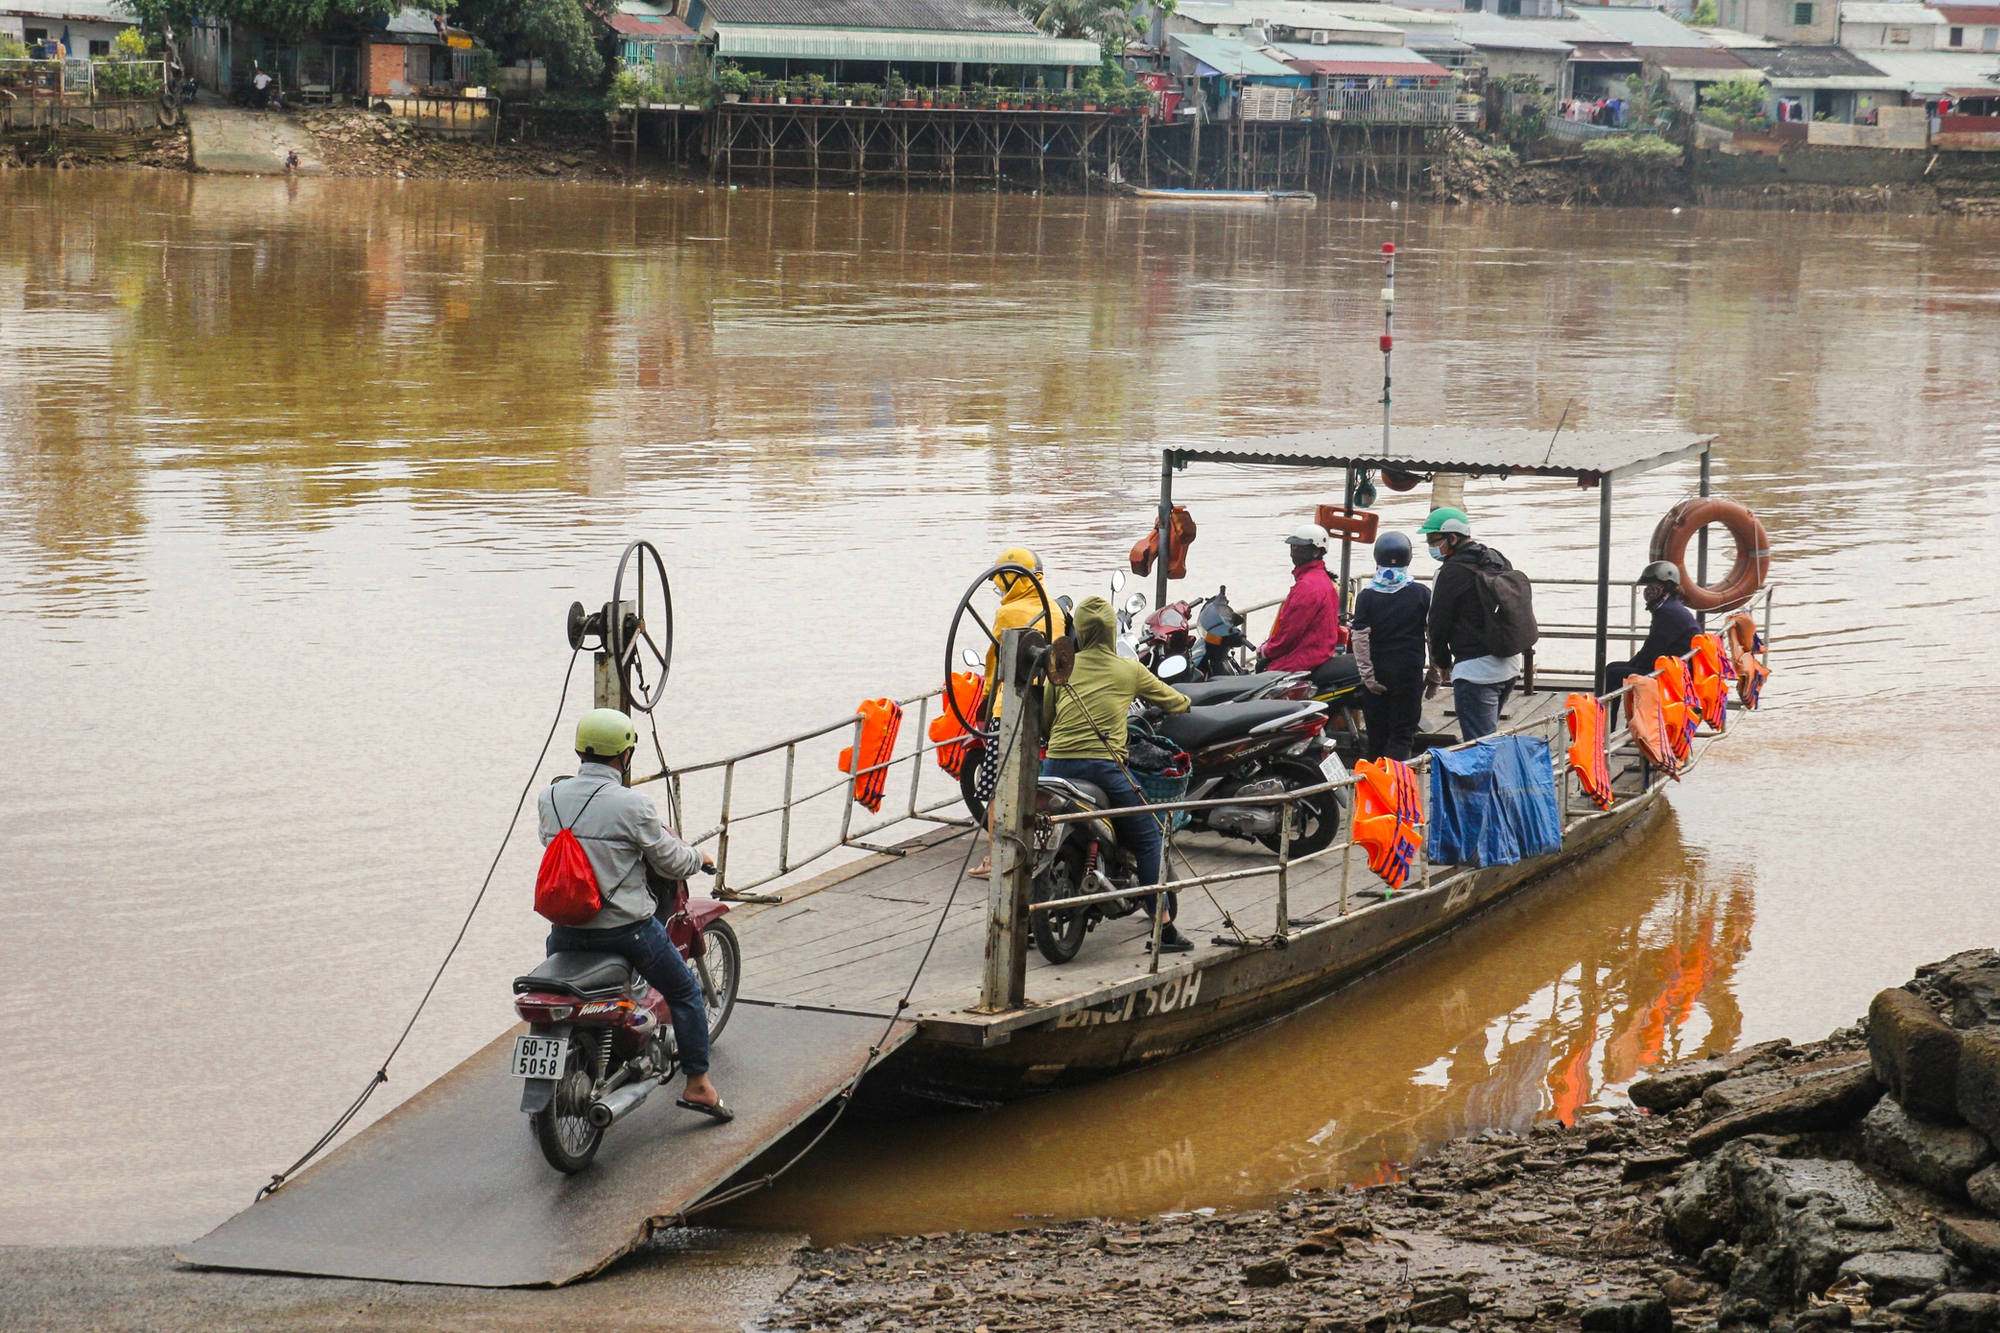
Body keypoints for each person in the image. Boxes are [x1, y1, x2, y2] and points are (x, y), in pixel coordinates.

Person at [538, 708, 730, 1120]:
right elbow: (671, 861)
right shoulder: (634, 805)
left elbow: (551, 844)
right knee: (685, 993)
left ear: (578, 750)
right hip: (626, 931)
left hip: (565, 932)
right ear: (625, 755)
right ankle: (698, 1085)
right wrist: (700, 857)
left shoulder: (549, 797)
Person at [1041, 597, 1196, 951]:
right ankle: (1165, 930)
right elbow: (1173, 700)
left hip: (1056, 765)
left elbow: (1047, 722)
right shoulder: (1128, 669)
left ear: (1077, 631)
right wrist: (1187, 703)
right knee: (1147, 837)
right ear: (1112, 632)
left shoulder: (1061, 668)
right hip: (1104, 767)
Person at [969, 546, 1070, 877]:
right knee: (1029, 779)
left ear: (1011, 578)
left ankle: (997, 858)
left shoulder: (1007, 615)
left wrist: (986, 698)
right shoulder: (1054, 608)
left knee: (998, 786)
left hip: (1009, 707)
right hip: (1043, 703)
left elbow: (994, 662)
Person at [1422, 507, 1521, 742]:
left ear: (1453, 538)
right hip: (1509, 665)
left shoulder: (1449, 572)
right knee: (1489, 739)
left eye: (1433, 540)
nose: (1431, 547)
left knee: (1480, 748)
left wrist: (1443, 663)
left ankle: (1491, 780)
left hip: (1476, 673)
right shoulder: (1496, 559)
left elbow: (1437, 623)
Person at [1350, 530, 1431, 761]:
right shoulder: (1421, 593)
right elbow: (1432, 636)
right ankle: (1398, 785)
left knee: (1377, 735)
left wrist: (1368, 676)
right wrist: (1435, 673)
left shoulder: (1367, 596)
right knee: (1403, 735)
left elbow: (1360, 637)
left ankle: (1376, 787)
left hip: (1378, 673)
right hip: (1409, 672)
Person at [1604, 561, 1700, 717]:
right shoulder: (1668, 606)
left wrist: (1634, 664)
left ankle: (1607, 726)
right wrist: (1633, 663)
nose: (1649, 590)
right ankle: (1607, 722)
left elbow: (1654, 649)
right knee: (1612, 668)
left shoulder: (1668, 612)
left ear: (1666, 585)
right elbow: (1652, 646)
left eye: (1653, 585)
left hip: (1673, 672)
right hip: (1670, 665)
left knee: (1613, 674)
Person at [1259, 523, 1343, 672]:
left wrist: (1265, 651)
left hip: (1300, 661)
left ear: (1316, 552)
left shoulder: (1307, 587)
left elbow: (1289, 634)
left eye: (1301, 547)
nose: (1294, 551)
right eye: (1293, 546)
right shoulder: (1321, 579)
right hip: (1318, 655)